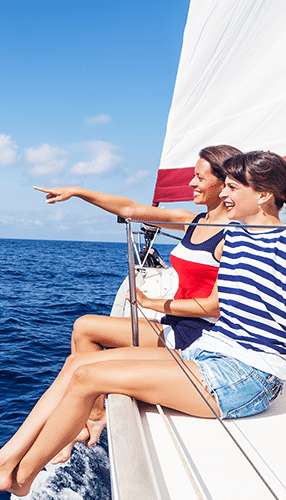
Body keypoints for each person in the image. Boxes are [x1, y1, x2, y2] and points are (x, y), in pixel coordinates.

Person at [0, 150, 286, 497]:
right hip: (209, 353)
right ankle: (5, 462)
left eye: (232, 187)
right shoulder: (238, 235)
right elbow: (219, 302)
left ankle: (19, 480)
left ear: (263, 196)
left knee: (89, 377)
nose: (224, 194)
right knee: (78, 364)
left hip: (250, 376)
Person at [32, 144, 241, 463]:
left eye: (199, 177)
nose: (191, 184)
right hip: (175, 326)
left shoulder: (232, 236)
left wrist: (153, 302)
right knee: (83, 327)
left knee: (87, 356)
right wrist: (77, 191)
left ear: (225, 182)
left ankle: (79, 424)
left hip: (198, 336)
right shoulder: (192, 221)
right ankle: (95, 416)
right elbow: (129, 209)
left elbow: (218, 306)